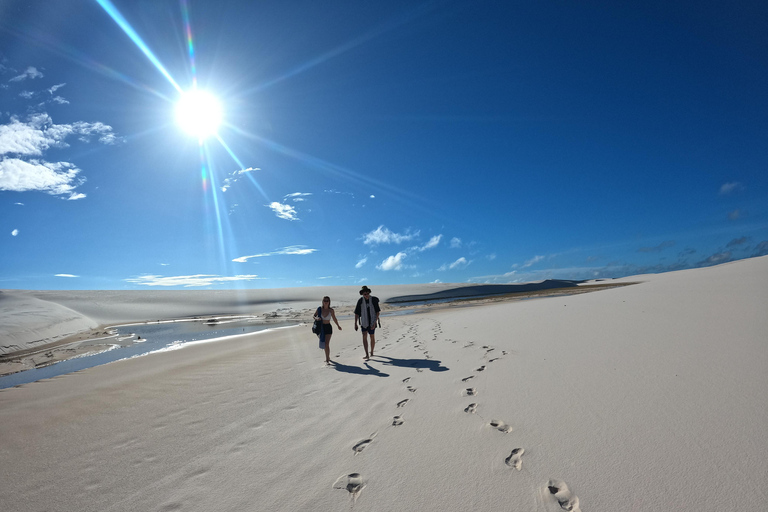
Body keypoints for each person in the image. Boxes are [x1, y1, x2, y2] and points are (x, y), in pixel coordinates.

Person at [354, 285, 380, 360]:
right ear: (362, 294)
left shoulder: (374, 300)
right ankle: (366, 354)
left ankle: (371, 352)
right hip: (364, 321)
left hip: (372, 321)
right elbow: (357, 313)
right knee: (364, 336)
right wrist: (355, 323)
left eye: (367, 293)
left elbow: (377, 312)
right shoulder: (360, 301)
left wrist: (375, 322)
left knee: (372, 336)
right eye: (365, 294)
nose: (366, 295)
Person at [314, 296, 342, 364]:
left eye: (327, 301)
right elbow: (314, 316)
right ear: (322, 301)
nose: (326, 302)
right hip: (321, 328)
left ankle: (327, 359)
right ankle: (328, 357)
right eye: (324, 300)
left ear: (329, 302)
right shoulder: (319, 309)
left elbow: (334, 318)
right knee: (323, 343)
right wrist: (316, 318)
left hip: (328, 327)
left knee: (327, 344)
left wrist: (338, 325)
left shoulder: (331, 310)